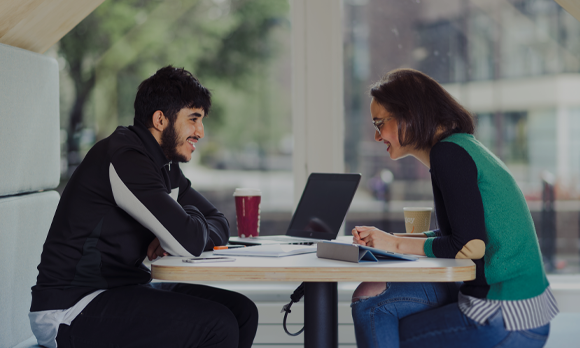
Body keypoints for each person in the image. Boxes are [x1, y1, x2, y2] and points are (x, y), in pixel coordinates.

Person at [29, 66, 258, 348]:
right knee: (217, 324)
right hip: (71, 306)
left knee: (242, 312)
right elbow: (189, 242)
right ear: (161, 119)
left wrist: (174, 228)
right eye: (193, 119)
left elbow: (218, 221)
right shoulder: (124, 157)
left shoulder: (163, 165)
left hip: (123, 289)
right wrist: (177, 228)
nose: (200, 131)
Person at [350, 69, 559, 348]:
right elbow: (460, 232)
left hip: (505, 315)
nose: (377, 136)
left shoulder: (448, 154)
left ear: (409, 115)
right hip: (523, 310)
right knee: (371, 296)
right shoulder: (460, 147)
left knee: (374, 309)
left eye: (379, 123)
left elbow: (470, 245)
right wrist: (387, 241)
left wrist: (396, 244)